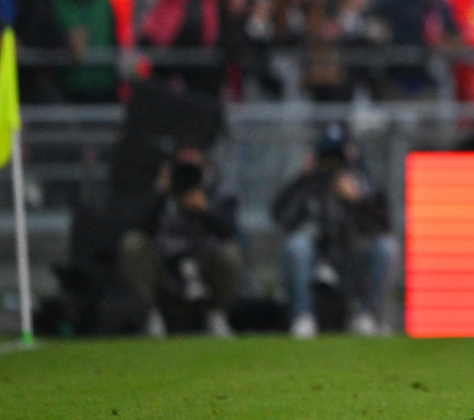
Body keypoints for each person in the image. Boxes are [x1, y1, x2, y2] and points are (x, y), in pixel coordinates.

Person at [271, 123, 394, 338]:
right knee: (297, 246)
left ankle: (367, 316)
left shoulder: (363, 183)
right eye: (328, 154)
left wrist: (358, 200)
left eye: (338, 154)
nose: (333, 162)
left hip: (354, 254)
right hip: (318, 255)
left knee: (385, 247)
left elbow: (383, 226)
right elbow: (281, 218)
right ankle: (303, 317)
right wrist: (302, 178)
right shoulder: (310, 184)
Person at [118, 150, 241, 338]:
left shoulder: (218, 190)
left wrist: (206, 211)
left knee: (230, 252)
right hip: (164, 265)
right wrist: (162, 194)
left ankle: (217, 315)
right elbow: (140, 230)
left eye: (194, 167)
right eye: (183, 167)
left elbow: (230, 233)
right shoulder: (160, 190)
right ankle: (151, 314)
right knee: (132, 244)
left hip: (204, 263)